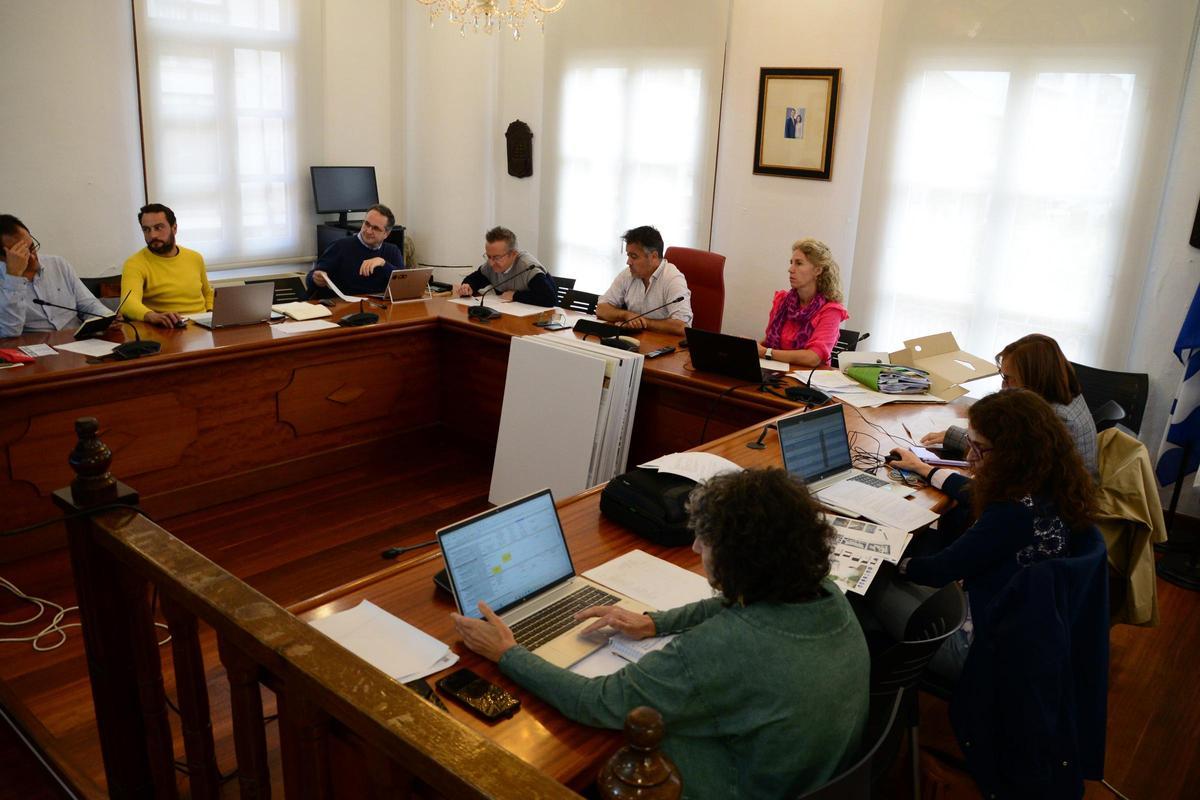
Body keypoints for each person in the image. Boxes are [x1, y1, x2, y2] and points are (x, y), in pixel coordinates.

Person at [451, 468, 869, 799]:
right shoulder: (824, 593)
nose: (694, 551)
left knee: (582, 754)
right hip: (812, 776)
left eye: (704, 542)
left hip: (740, 787)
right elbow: (735, 603)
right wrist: (657, 622)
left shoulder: (725, 646)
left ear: (738, 558)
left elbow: (594, 701)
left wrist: (507, 652)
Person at [880, 389, 1097, 680]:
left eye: (980, 448)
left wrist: (885, 560)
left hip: (976, 650)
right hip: (1027, 633)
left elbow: (937, 570)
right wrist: (924, 469)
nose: (970, 456)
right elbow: (973, 493)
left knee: (871, 585)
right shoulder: (1051, 483)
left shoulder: (1011, 513)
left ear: (1013, 452)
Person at [920, 334, 1098, 479]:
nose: (1003, 386)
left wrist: (930, 470)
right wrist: (957, 436)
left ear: (1033, 378)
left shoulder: (1056, 419)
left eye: (1008, 378)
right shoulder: (1064, 394)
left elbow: (1004, 459)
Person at [0, 215, 113, 339]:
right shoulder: (4, 283)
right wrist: (14, 279)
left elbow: (88, 304)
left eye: (32, 248)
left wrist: (107, 317)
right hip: (37, 349)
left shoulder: (58, 264)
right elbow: (9, 334)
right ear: (3, 258)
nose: (33, 257)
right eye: (23, 255)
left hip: (77, 340)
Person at [757, 238, 849, 367]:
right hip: (776, 373)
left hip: (809, 380)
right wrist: (751, 348)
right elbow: (769, 342)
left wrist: (766, 353)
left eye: (799, 263)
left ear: (817, 270)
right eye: (791, 263)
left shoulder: (831, 311)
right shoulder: (782, 301)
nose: (790, 269)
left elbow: (813, 358)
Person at [121, 204, 213, 328]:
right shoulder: (135, 263)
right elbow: (128, 303)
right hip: (166, 327)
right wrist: (152, 316)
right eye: (146, 229)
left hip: (201, 325)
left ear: (174, 228)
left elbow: (207, 293)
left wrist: (210, 313)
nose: (153, 235)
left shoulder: (195, 257)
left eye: (158, 228)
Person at [596, 226, 693, 335]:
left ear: (654, 256)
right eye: (628, 255)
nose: (628, 262)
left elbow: (682, 327)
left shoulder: (672, 278)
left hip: (663, 345)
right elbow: (601, 309)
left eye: (634, 256)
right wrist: (626, 315)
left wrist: (643, 322)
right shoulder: (628, 274)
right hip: (635, 340)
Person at [306, 204, 404, 298]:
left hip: (380, 308)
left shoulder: (393, 251)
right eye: (367, 224)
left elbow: (403, 284)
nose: (368, 231)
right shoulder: (340, 246)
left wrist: (383, 263)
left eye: (375, 228)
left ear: (386, 234)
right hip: (344, 307)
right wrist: (315, 279)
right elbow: (311, 278)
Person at [454, 226, 555, 306]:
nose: (491, 263)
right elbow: (475, 279)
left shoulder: (529, 268)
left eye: (497, 257)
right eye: (488, 256)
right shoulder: (492, 265)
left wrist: (516, 296)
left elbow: (549, 299)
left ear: (513, 254)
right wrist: (468, 287)